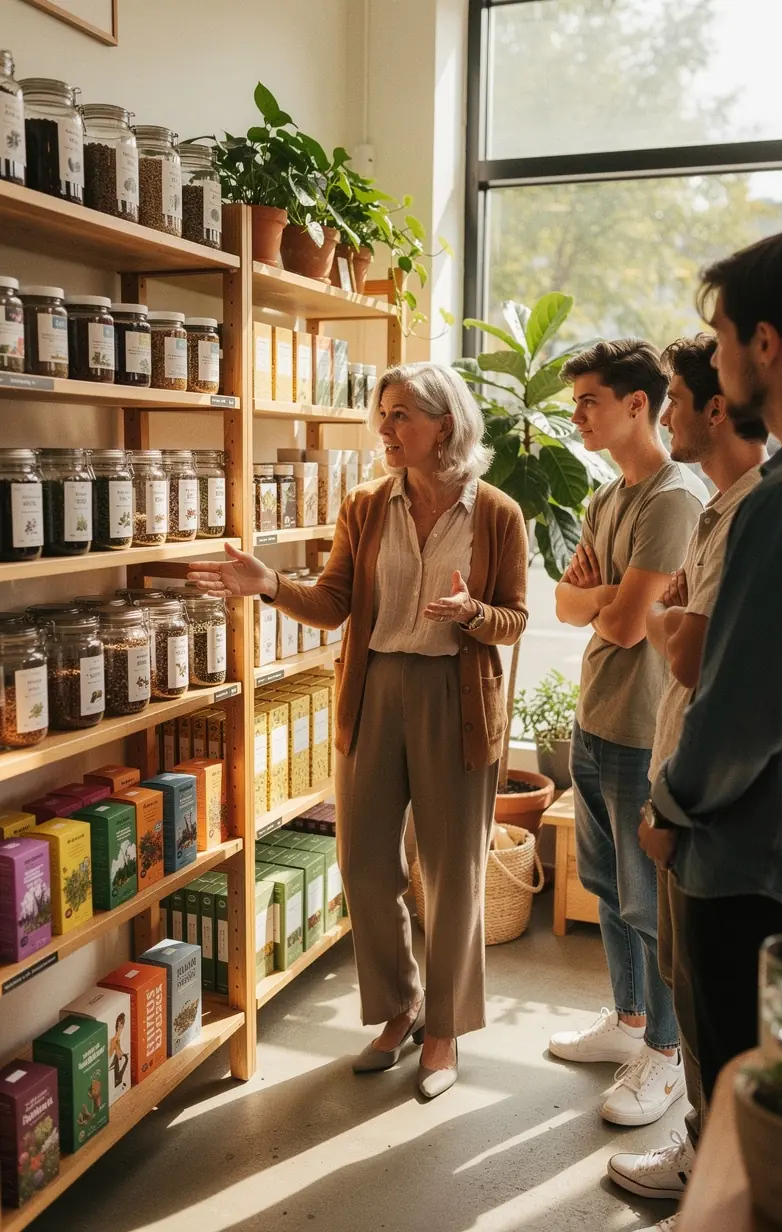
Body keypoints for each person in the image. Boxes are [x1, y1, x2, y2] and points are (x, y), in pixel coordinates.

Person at [189, 361, 528, 1100]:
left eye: (401, 414)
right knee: (364, 862)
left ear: (446, 424)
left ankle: (443, 1031)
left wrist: (473, 613)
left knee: (451, 872)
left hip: (455, 696)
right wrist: (271, 585)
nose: (385, 428)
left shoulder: (497, 513)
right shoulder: (367, 504)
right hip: (374, 689)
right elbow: (336, 602)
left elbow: (515, 618)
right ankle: (400, 1004)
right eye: (382, 414)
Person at [641, 230, 782, 1149]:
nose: (712, 360)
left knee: (743, 1130)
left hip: (756, 869)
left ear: (767, 344)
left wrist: (669, 803)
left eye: (720, 337)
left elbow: (738, 709)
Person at [606, 334, 767, 1226]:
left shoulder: (751, 513)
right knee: (685, 972)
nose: (665, 414)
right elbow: (655, 622)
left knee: (708, 997)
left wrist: (663, 618)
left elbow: (690, 651)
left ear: (715, 407)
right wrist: (664, 619)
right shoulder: (719, 509)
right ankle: (704, 1148)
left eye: (673, 397)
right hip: (681, 777)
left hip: (703, 803)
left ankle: (710, 1167)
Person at [549, 339, 707, 1128]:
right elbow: (567, 606)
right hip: (595, 717)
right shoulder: (605, 499)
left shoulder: (674, 498)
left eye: (589, 400)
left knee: (649, 906)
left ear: (636, 404)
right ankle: (630, 1021)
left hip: (645, 733)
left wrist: (604, 602)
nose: (576, 413)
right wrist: (606, 604)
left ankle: (669, 1056)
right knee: (609, 889)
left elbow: (621, 619)